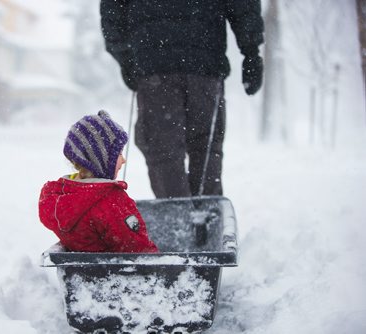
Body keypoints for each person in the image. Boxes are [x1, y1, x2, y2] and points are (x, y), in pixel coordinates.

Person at [100, 0, 264, 198]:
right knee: (206, 146)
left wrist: (126, 58)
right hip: (204, 62)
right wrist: (251, 51)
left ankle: (175, 214)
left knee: (162, 147)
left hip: (155, 66)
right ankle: (206, 214)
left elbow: (113, 10)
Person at [38, 110, 159, 253]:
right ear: (101, 161)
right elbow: (138, 250)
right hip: (120, 274)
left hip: (86, 272)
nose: (123, 159)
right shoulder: (111, 202)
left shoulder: (60, 197)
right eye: (118, 153)